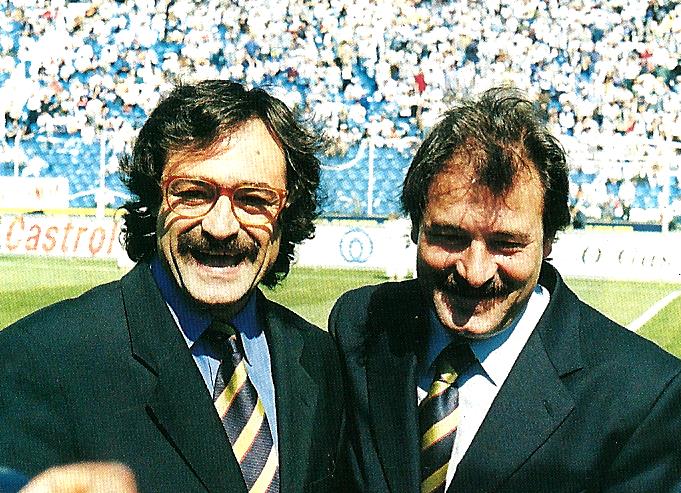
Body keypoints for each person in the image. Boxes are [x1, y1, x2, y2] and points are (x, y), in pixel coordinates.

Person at [329, 87, 681, 492]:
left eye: (506, 244)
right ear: (415, 228)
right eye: (449, 237)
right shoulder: (360, 324)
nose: (475, 272)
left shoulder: (642, 394)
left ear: (548, 241)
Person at [0, 80, 346, 492]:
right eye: (193, 194)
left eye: (253, 199)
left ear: (286, 213)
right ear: (153, 201)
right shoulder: (40, 357)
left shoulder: (318, 357)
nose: (221, 227)